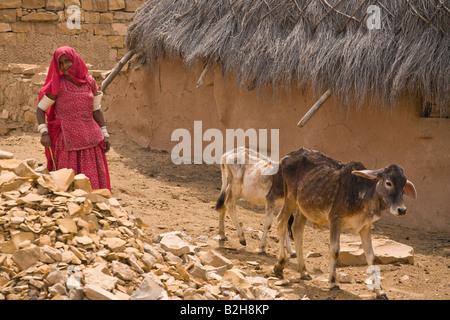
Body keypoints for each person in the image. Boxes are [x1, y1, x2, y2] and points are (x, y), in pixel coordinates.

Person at [36, 46, 111, 191]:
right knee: (67, 186)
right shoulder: (57, 85)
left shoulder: (89, 82)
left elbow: (96, 109)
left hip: (91, 142)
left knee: (93, 186)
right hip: (67, 143)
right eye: (61, 63)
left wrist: (105, 133)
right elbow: (40, 109)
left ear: (75, 59)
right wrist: (44, 132)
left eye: (67, 61)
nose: (65, 66)